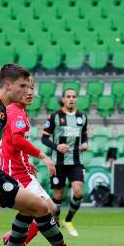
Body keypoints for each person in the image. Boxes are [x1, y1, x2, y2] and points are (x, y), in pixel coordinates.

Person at [0, 63, 98, 246]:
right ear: (8, 85)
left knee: (32, 207)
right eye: (22, 85)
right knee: (43, 208)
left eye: (29, 86)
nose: (27, 90)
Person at [0, 76, 58, 246]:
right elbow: (16, 140)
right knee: (47, 209)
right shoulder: (15, 112)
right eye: (25, 88)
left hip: (19, 168)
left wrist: (25, 160)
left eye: (32, 88)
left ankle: (14, 245)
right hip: (16, 172)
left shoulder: (19, 112)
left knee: (42, 209)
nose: (30, 92)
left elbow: (10, 143)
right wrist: (42, 156)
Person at [41, 88, 88, 237]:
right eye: (68, 96)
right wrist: (57, 147)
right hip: (58, 162)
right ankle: (55, 221)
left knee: (79, 191)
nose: (71, 99)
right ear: (63, 99)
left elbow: (84, 135)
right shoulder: (54, 116)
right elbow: (44, 138)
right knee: (58, 195)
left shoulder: (82, 117)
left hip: (75, 161)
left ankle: (68, 220)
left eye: (74, 96)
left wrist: (85, 144)